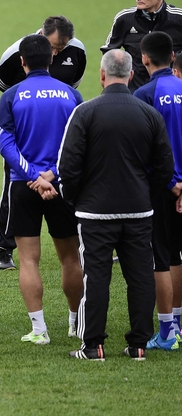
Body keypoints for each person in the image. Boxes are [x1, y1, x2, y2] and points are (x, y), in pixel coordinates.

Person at [60, 49, 174, 361]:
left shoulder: (85, 113)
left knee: (95, 276)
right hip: (138, 209)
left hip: (95, 211)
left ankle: (93, 346)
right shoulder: (148, 114)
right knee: (139, 276)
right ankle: (138, 345)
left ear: (102, 75)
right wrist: (144, 194)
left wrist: (75, 199)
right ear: (132, 75)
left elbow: (67, 168)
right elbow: (165, 168)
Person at [0, 34, 84, 345]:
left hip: (24, 185)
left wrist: (34, 175)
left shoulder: (11, 96)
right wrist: (53, 175)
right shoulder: (72, 95)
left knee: (28, 260)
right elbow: (79, 145)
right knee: (71, 258)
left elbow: (6, 144)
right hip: (62, 188)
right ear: (51, 60)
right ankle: (75, 323)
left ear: (22, 62)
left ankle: (39, 330)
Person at [0, 15, 86, 271]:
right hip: (25, 133)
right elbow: (4, 87)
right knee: (9, 184)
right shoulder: (14, 53)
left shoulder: (77, 51)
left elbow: (72, 89)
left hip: (58, 133)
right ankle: (4, 247)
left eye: (62, 48)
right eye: (54, 47)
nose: (57, 53)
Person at [133, 31, 182, 350]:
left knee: (161, 257)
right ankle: (177, 320)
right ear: (174, 58)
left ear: (144, 59)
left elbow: (143, 150)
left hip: (161, 188)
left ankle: (167, 332)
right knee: (179, 254)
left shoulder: (145, 95)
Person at [101, 0, 182, 92]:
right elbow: (109, 53)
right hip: (135, 94)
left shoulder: (178, 19)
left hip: (171, 93)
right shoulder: (124, 19)